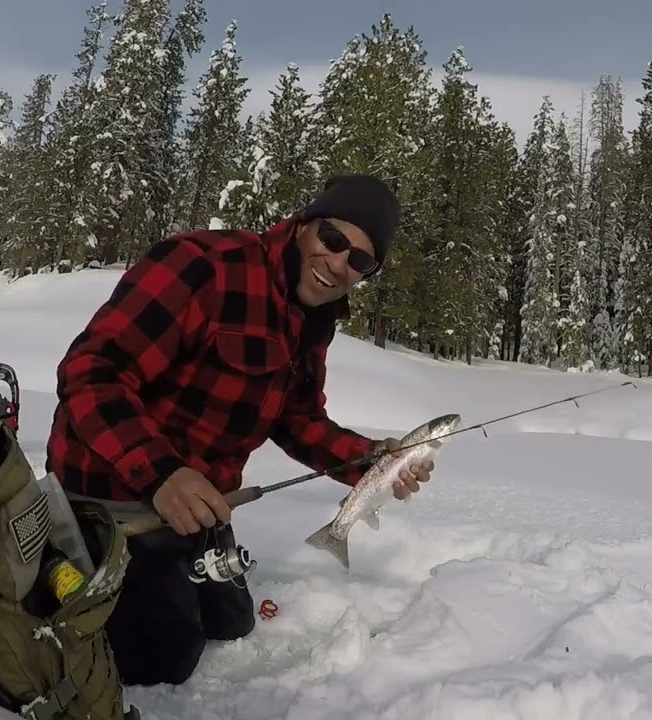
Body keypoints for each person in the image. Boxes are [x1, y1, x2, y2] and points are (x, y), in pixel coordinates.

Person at [44, 173, 434, 687]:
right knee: (167, 655)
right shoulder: (203, 267)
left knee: (231, 623)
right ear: (302, 227)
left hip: (198, 505)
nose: (339, 264)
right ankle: (48, 575)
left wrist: (370, 462)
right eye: (334, 240)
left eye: (360, 261)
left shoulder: (314, 317)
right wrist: (162, 473)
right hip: (111, 488)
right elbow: (90, 372)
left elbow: (297, 420)